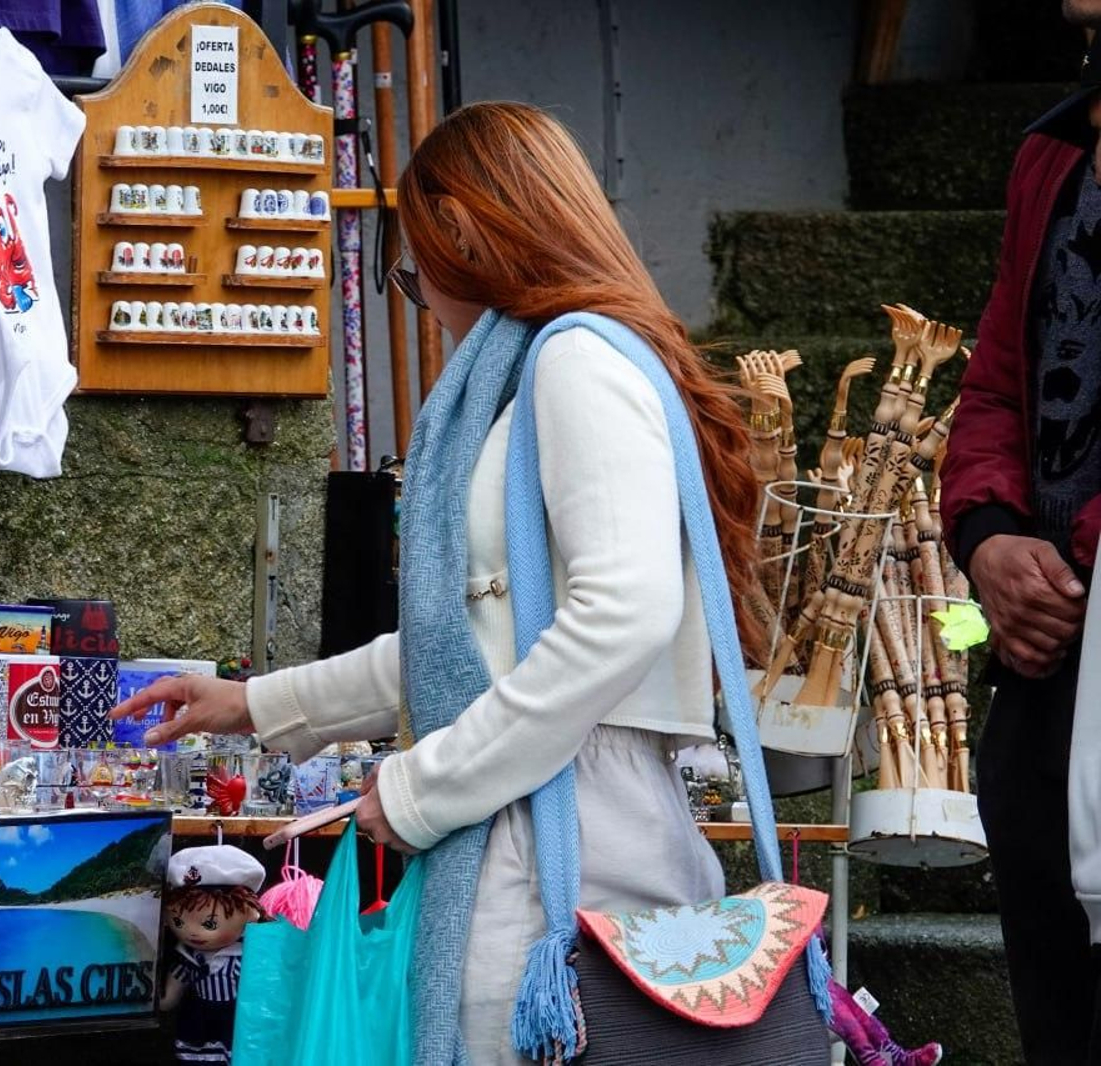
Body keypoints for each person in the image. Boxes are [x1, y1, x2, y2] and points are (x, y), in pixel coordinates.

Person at [115, 101, 766, 1065]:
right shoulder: (564, 367)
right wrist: (252, 703)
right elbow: (468, 645)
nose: (426, 302)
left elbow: (618, 615)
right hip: (562, 810)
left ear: (467, 236)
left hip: (558, 834)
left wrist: (422, 789)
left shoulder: (572, 363)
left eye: (416, 273)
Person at [939, 10, 1101, 1062]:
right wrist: (991, 540)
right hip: (1049, 663)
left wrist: (1075, 559)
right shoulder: (1051, 153)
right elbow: (998, 376)